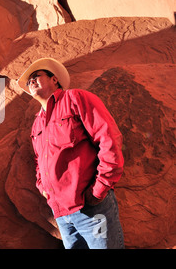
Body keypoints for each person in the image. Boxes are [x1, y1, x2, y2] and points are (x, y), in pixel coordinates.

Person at [17, 57, 125, 249]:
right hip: (62, 216)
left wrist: (99, 189)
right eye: (28, 81)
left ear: (54, 79)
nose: (31, 81)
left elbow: (109, 139)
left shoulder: (76, 99)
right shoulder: (38, 123)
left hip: (92, 210)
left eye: (36, 76)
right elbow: (38, 160)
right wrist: (43, 187)